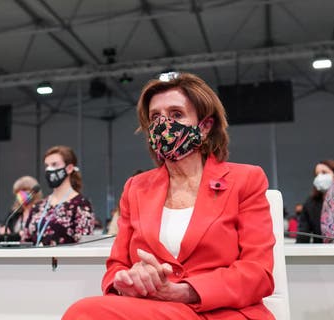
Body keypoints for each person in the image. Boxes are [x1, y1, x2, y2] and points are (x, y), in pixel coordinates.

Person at [63, 73, 275, 319]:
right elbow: (117, 266)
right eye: (155, 117)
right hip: (157, 309)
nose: (164, 125)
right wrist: (128, 281)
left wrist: (184, 291)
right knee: (84, 312)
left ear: (204, 127)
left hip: (223, 313)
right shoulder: (135, 187)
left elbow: (257, 273)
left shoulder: (246, 179)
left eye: (176, 115)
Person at [22, 146, 94, 246]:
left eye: (54, 164)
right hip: (36, 260)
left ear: (69, 168)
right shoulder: (38, 206)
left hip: (64, 261)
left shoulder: (80, 204)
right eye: (47, 165)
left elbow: (84, 244)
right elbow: (25, 241)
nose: (49, 169)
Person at [296, 160, 334, 243]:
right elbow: (303, 235)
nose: (320, 177)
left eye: (324, 172)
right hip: (321, 251)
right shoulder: (310, 204)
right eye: (317, 174)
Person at [0, 176, 43, 241]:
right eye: (18, 192)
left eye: (24, 190)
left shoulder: (41, 211)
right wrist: (18, 235)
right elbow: (3, 232)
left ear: (34, 192)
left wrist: (15, 235)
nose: (20, 194)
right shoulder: (14, 213)